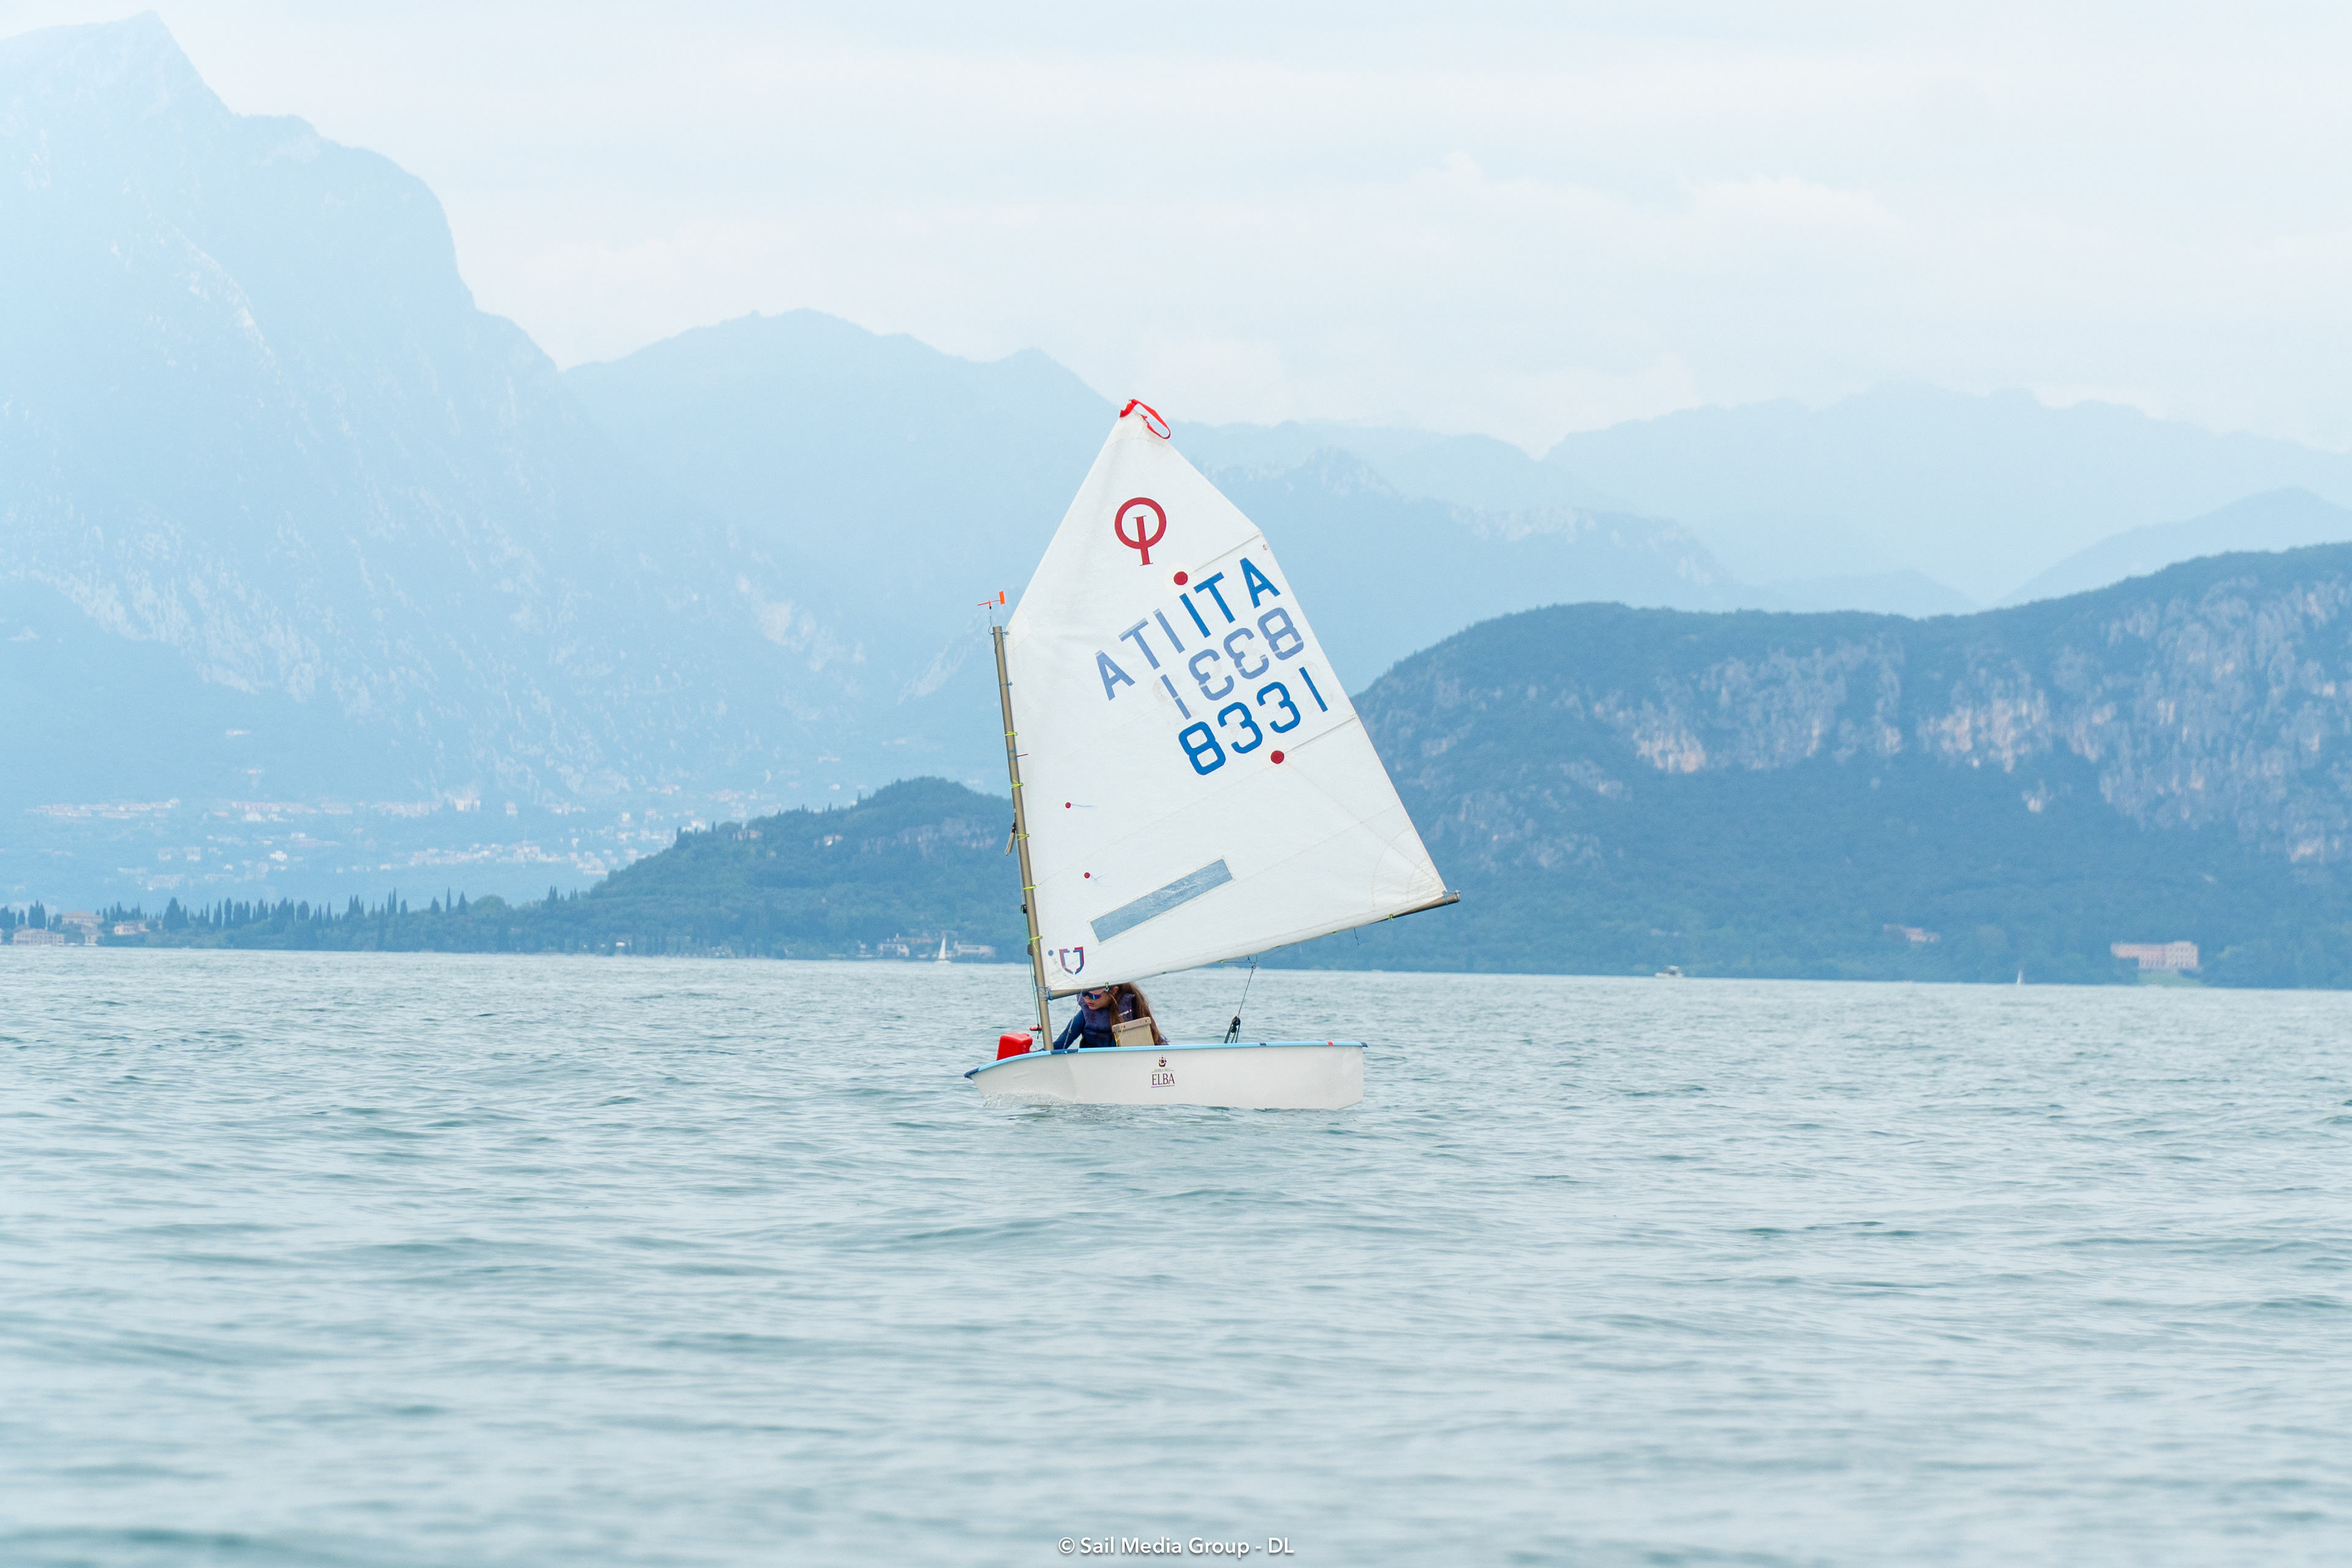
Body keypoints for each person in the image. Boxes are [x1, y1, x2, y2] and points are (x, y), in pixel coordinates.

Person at [1052, 982, 1167, 1050]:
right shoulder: (1084, 1016)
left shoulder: (1131, 1010)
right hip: (1092, 1066)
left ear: (1113, 991)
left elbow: (1154, 1040)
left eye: (1094, 996)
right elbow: (1060, 1045)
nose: (1087, 999)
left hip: (1124, 1065)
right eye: (1084, 994)